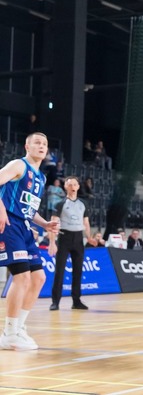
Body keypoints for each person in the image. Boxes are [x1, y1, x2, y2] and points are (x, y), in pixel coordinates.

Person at [0, 132, 60, 350]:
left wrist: (44, 224)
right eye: (37, 142)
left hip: (25, 226)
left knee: (39, 278)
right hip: (9, 224)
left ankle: (19, 328)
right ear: (27, 146)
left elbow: (29, 208)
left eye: (45, 143)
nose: (41, 146)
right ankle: (9, 333)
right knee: (22, 277)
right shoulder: (18, 165)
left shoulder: (41, 177)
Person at [48, 176, 91, 311]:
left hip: (78, 238)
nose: (72, 187)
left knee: (78, 271)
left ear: (78, 187)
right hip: (64, 237)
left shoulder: (83, 203)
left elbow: (86, 223)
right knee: (59, 271)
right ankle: (55, 302)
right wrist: (52, 242)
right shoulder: (60, 204)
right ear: (65, 187)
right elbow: (53, 223)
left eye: (74, 184)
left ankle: (76, 301)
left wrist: (89, 237)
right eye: (69, 184)